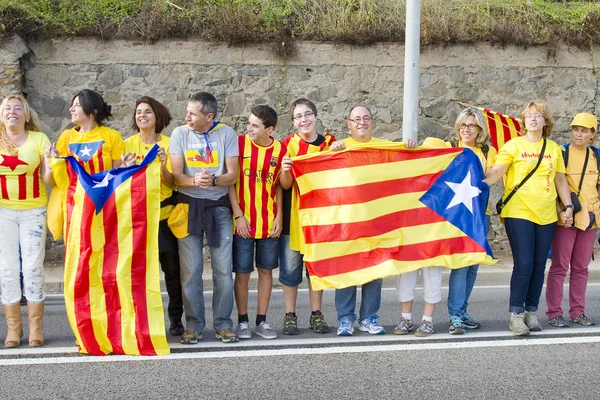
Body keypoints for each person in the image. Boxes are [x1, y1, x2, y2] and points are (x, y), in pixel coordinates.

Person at [484, 100, 573, 336]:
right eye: (529, 115)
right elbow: (496, 172)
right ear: (523, 122)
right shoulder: (513, 146)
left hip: (546, 214)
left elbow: (560, 180)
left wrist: (569, 206)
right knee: (523, 264)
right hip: (519, 212)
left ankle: (531, 311)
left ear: (545, 122)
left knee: (537, 265)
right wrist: (479, 179)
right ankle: (515, 315)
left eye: (538, 115)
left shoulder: (553, 148)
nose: (533, 118)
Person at [170, 92, 239, 344]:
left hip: (218, 208)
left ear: (209, 116)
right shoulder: (179, 134)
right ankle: (194, 325)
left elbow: (233, 175)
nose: (186, 116)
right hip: (188, 206)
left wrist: (215, 180)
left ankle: (223, 324)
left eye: (192, 113)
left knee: (222, 269)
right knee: (191, 271)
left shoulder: (226, 134)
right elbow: (176, 175)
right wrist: (193, 181)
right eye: (187, 111)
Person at [122, 96, 184, 337]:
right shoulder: (126, 145)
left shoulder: (169, 144)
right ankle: (140, 320)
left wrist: (164, 166)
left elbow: (174, 183)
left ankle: (176, 319)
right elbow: (120, 182)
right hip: (136, 217)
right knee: (138, 272)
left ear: (157, 117)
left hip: (163, 216)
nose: (142, 115)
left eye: (147, 111)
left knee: (172, 271)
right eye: (138, 112)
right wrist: (124, 168)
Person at [0, 95, 53, 347]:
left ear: (27, 115)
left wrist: (51, 166)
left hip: (33, 210)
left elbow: (48, 180)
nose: (12, 112)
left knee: (32, 267)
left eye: (17, 108)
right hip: (3, 212)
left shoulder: (39, 140)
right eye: (7, 109)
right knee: (7, 270)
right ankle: (13, 329)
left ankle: (35, 328)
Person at [229, 105, 286, 340]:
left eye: (254, 125)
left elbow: (281, 186)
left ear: (269, 129)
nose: (249, 128)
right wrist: (238, 215)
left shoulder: (280, 150)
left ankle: (262, 321)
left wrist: (279, 216)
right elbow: (231, 182)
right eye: (249, 123)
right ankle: (242, 321)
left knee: (265, 271)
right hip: (243, 222)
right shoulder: (240, 144)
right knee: (242, 273)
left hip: (268, 221)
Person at [329, 105, 387, 336]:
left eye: (366, 118)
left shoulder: (385, 148)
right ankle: (345, 319)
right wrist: (332, 152)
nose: (361, 122)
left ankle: (369, 317)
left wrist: (409, 148)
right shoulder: (339, 148)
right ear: (348, 123)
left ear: (372, 122)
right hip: (348, 222)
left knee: (374, 272)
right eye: (356, 119)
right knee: (346, 271)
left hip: (376, 221)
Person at [278, 98, 335, 335]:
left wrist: (337, 153)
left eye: (308, 114)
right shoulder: (287, 145)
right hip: (294, 217)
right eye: (299, 116)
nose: (304, 120)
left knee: (315, 269)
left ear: (316, 116)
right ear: (293, 122)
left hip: (319, 218)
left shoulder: (329, 143)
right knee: (291, 270)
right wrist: (286, 169)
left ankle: (316, 314)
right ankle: (290, 315)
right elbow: (284, 185)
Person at [445, 108, 497, 334]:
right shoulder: (448, 149)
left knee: (473, 264)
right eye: (463, 125)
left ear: (480, 129)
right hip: (458, 215)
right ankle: (454, 313)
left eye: (472, 125)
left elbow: (492, 176)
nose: (467, 129)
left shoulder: (488, 151)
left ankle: (462, 310)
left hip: (480, 214)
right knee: (461, 264)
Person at [546, 112, 599, 328]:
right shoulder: (562, 153)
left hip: (591, 220)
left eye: (584, 130)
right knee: (559, 267)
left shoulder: (596, 156)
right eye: (576, 129)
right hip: (566, 218)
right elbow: (554, 185)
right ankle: (554, 313)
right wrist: (560, 211)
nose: (579, 134)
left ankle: (578, 312)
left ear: (593, 134)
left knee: (581, 268)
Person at [56, 89, 124, 172]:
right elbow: (60, 175)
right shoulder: (66, 137)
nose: (71, 109)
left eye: (77, 105)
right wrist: (54, 160)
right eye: (72, 105)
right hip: (73, 185)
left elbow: (116, 174)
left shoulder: (112, 136)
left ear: (92, 112)